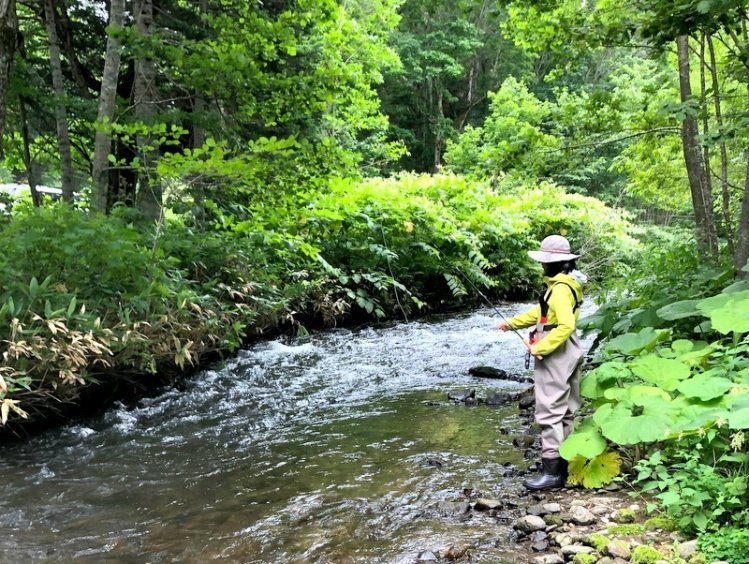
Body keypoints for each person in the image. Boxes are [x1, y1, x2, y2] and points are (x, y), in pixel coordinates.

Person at [497, 234, 586, 490]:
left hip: (556, 350)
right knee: (567, 410)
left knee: (549, 411)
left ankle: (552, 474)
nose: (542, 265)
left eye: (544, 261)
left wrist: (540, 347)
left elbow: (565, 324)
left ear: (551, 263)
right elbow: (542, 313)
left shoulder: (558, 288)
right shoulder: (566, 285)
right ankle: (565, 466)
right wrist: (512, 323)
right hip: (569, 349)